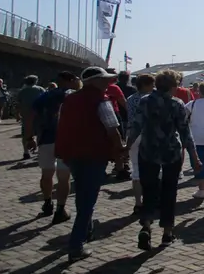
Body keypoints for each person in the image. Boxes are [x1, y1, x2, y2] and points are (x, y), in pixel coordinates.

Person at [56, 67, 126, 262]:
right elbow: (113, 129)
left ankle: (86, 231)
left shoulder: (69, 100)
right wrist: (119, 153)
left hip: (71, 154)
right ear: (94, 82)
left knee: (82, 194)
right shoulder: (101, 101)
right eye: (103, 80)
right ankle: (76, 245)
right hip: (93, 154)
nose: (107, 83)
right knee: (87, 201)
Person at [128, 69, 201, 250]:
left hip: (148, 150)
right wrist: (194, 157)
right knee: (170, 191)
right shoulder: (177, 104)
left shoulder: (145, 102)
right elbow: (185, 133)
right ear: (173, 86)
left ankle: (146, 224)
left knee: (149, 188)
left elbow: (135, 126)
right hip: (171, 152)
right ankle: (167, 232)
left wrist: (126, 147)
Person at [28, 71, 79, 223]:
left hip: (46, 138)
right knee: (63, 177)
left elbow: (31, 115)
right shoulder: (74, 96)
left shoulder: (46, 95)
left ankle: (47, 202)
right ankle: (60, 209)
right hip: (66, 140)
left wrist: (29, 136)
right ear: (70, 81)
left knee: (46, 173)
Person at [125, 73, 156, 215]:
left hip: (132, 134)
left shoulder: (130, 99)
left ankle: (138, 203)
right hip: (148, 135)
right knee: (154, 168)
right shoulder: (151, 99)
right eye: (152, 84)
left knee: (136, 170)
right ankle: (152, 200)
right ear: (146, 85)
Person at [17, 75, 46, 160]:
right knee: (40, 133)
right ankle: (40, 151)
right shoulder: (40, 89)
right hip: (38, 114)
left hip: (26, 115)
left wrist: (17, 114)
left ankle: (26, 152)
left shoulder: (22, 91)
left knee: (25, 134)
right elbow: (45, 101)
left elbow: (18, 104)